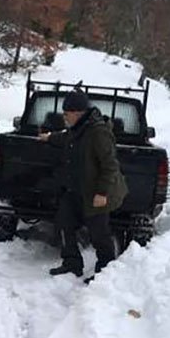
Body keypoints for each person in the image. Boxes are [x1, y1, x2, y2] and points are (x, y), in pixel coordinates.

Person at [40, 89, 128, 278]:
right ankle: (72, 263)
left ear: (78, 112)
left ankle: (105, 271)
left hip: (96, 193)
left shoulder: (98, 132)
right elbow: (66, 137)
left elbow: (110, 165)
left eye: (66, 114)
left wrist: (102, 193)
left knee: (99, 235)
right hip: (76, 190)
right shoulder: (78, 128)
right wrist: (49, 137)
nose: (64, 117)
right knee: (64, 222)